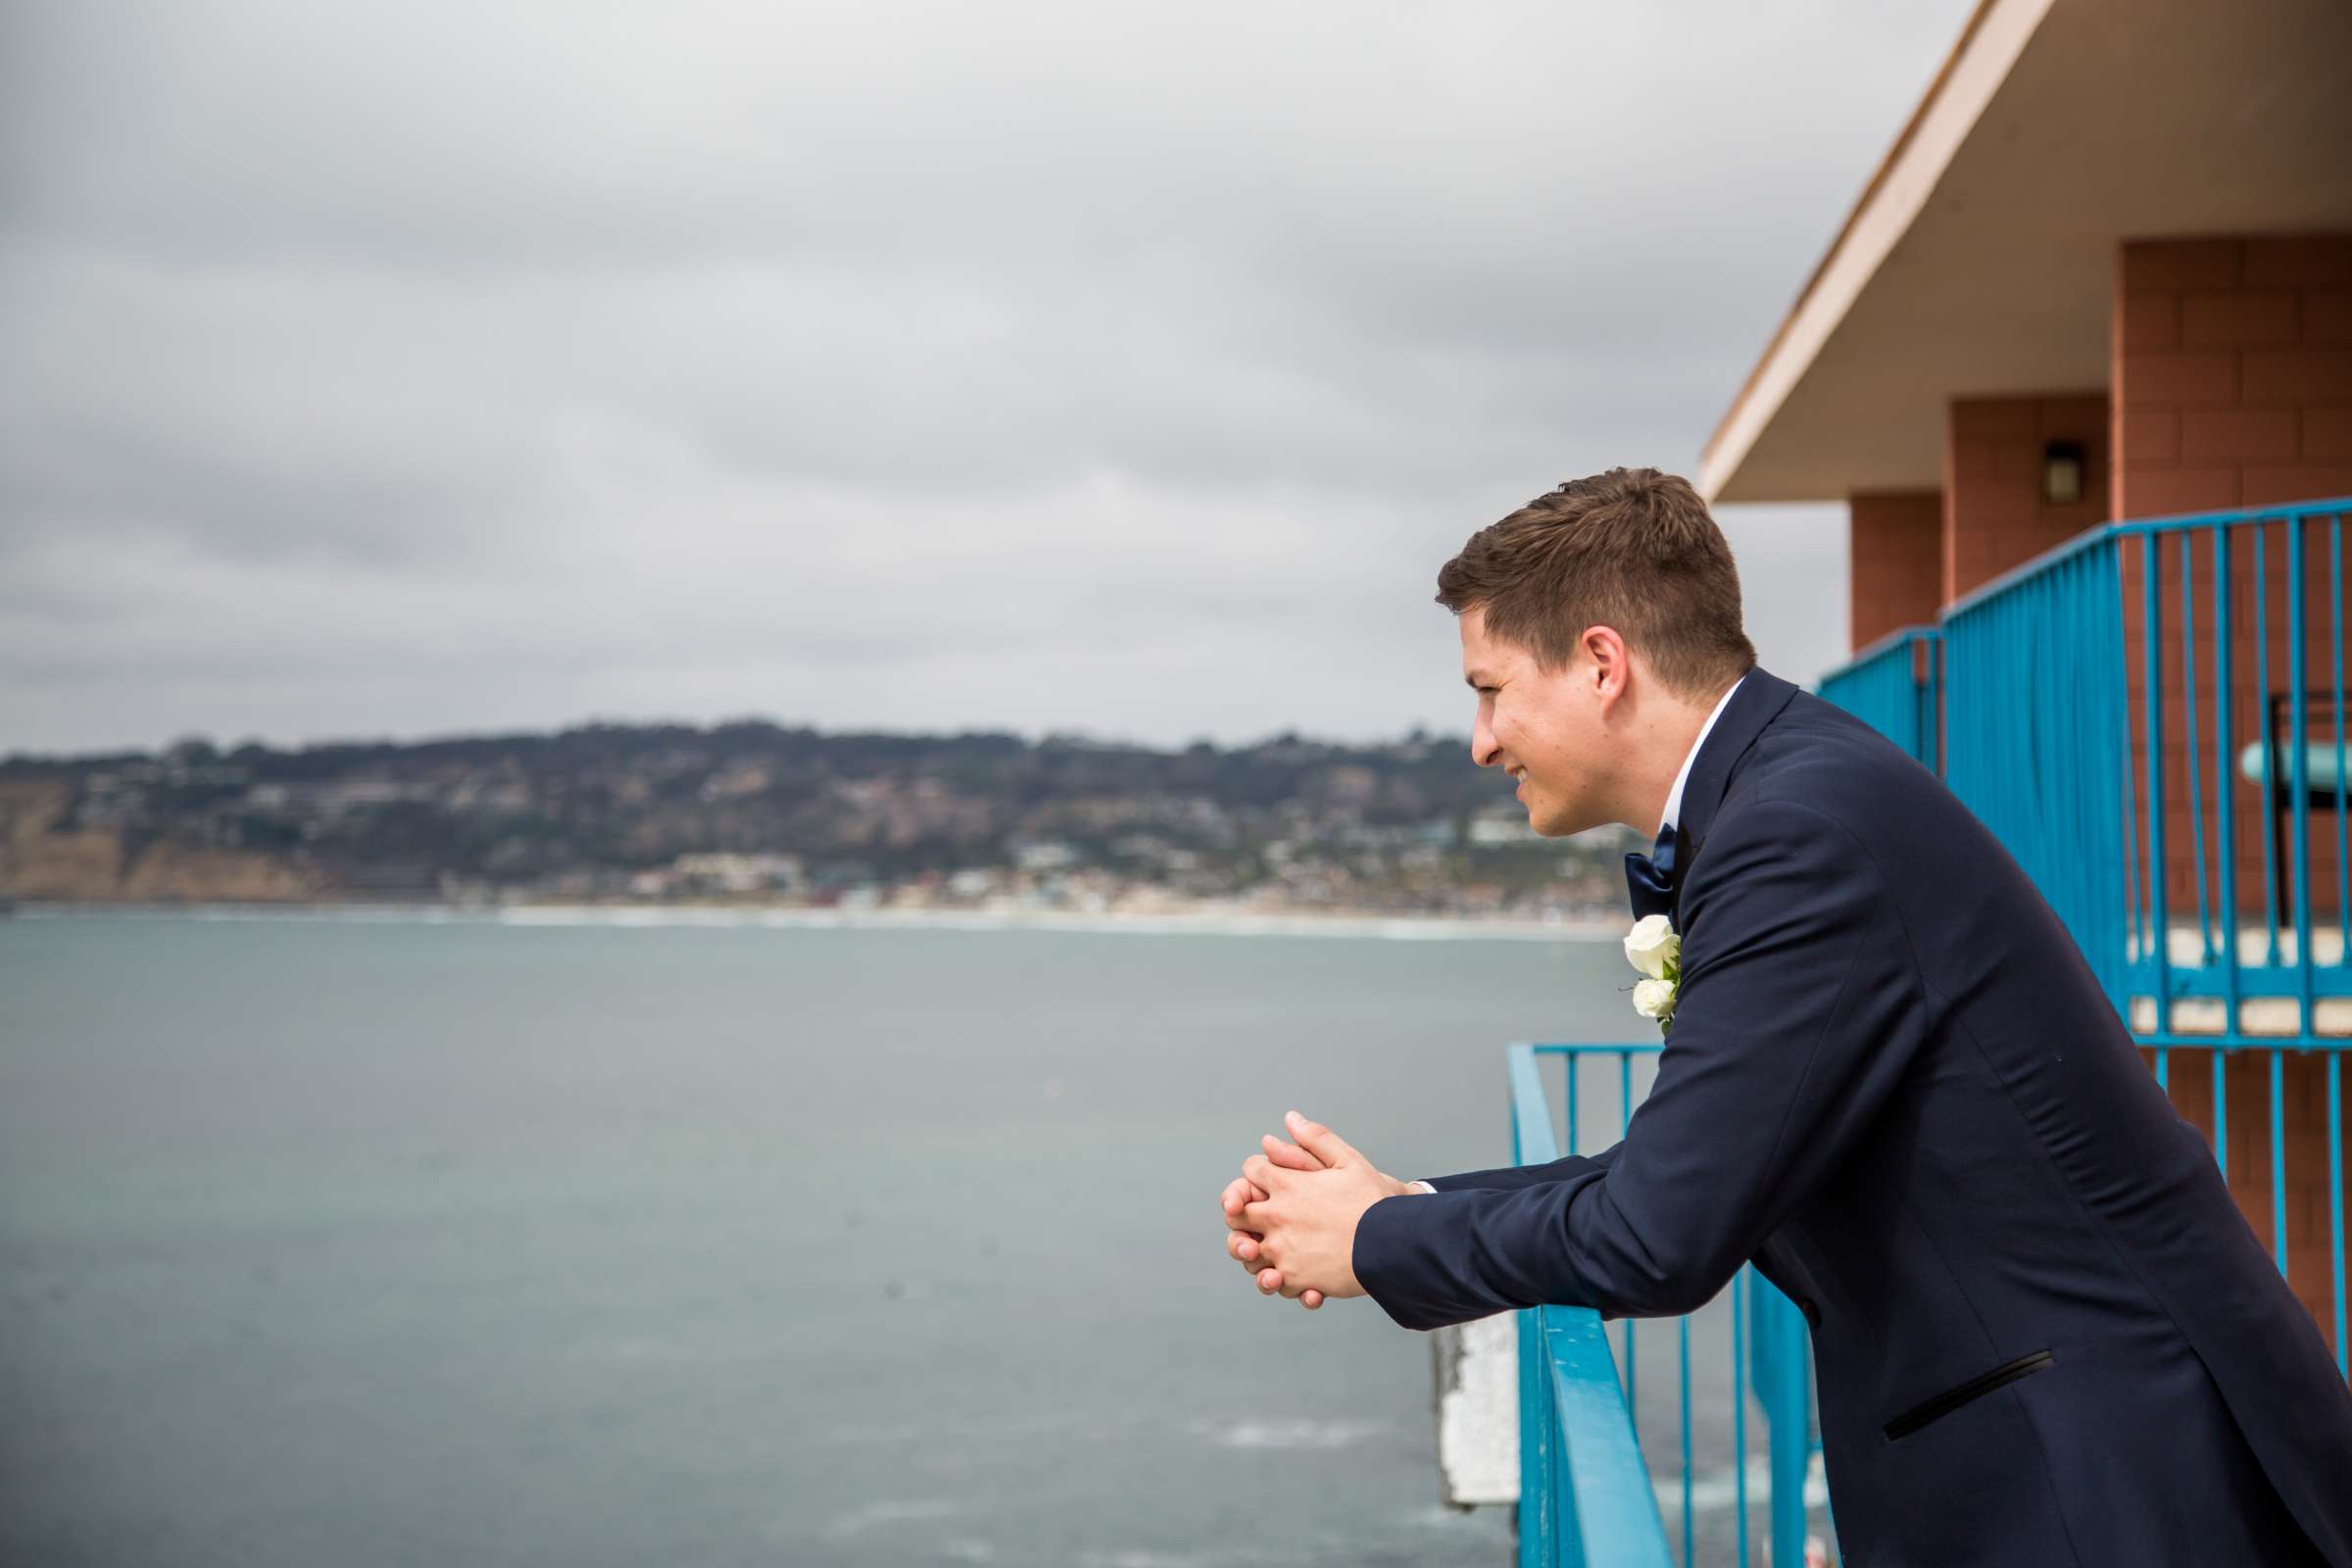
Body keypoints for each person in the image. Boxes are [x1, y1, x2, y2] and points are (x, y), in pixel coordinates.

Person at [1216, 468, 2352, 1566]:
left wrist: (1374, 1243)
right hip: (2078, 1451)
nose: (1480, 739)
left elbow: (1660, 1235)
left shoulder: (1794, 836)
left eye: (1491, 687)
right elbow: (1688, 1159)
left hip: (2102, 1483)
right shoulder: (1790, 795)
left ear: (1601, 663)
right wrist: (1399, 1202)